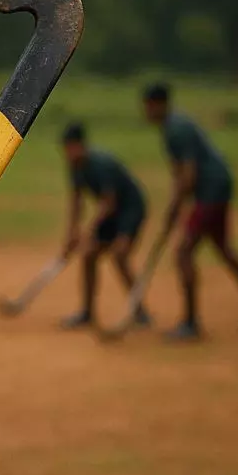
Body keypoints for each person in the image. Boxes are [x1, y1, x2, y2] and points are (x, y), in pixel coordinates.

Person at [143, 82, 238, 341]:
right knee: (223, 247)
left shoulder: (176, 129)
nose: (145, 112)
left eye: (147, 106)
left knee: (183, 253)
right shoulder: (172, 127)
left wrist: (174, 208)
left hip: (211, 190)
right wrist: (175, 209)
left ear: (157, 104)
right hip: (215, 187)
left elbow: (189, 176)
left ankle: (191, 324)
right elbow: (180, 174)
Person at [57, 122, 151, 330]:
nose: (69, 153)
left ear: (82, 145)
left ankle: (140, 311)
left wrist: (89, 230)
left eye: (72, 147)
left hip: (130, 210)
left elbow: (109, 202)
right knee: (89, 255)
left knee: (119, 255)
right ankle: (87, 313)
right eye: (66, 149)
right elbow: (77, 202)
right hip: (111, 213)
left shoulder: (101, 164)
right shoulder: (74, 168)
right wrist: (71, 234)